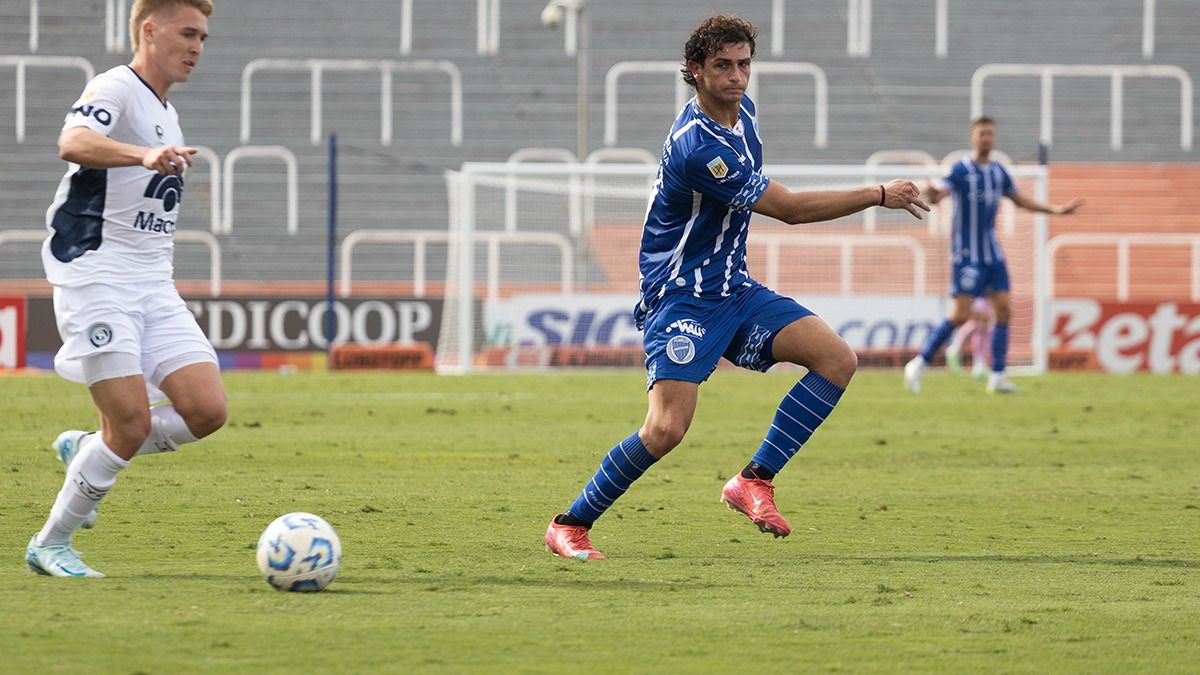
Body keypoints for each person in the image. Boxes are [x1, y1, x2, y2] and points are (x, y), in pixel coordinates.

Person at [544, 14, 929, 560]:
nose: (736, 76)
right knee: (665, 430)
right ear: (695, 71)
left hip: (734, 288)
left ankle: (753, 480)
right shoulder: (698, 147)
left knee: (837, 359)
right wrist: (877, 193)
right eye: (722, 65)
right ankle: (570, 524)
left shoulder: (743, 114)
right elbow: (789, 210)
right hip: (680, 296)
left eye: (744, 64)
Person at [26, 0, 222, 578]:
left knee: (206, 410)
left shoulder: (166, 111)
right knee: (132, 424)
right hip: (97, 276)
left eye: (204, 37)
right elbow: (74, 140)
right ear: (148, 29)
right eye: (188, 33)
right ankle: (51, 543)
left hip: (151, 284)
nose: (197, 47)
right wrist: (141, 153)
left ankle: (90, 447)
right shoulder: (115, 87)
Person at [904, 116, 1081, 395]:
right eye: (982, 133)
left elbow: (1020, 200)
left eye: (990, 133)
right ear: (972, 137)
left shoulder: (998, 172)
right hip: (966, 255)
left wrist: (1056, 211)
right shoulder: (961, 170)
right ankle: (920, 362)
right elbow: (941, 193)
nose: (986, 138)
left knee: (1005, 309)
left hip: (992, 255)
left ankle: (997, 375)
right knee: (960, 315)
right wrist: (934, 194)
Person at [944, 296, 993, 379]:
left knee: (978, 335)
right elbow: (976, 316)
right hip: (980, 310)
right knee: (976, 330)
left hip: (980, 314)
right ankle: (955, 350)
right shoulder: (981, 300)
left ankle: (979, 365)